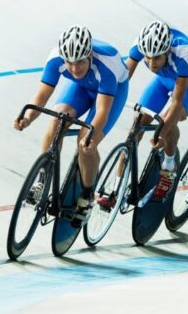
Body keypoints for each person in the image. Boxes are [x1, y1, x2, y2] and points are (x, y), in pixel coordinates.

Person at [13, 25, 129, 225]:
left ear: (90, 55)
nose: (75, 69)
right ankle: (42, 181)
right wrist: (28, 118)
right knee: (57, 120)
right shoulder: (55, 59)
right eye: (70, 63)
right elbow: (42, 95)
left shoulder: (107, 65)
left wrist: (91, 138)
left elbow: (102, 110)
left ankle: (87, 197)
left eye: (80, 62)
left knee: (85, 143)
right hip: (81, 88)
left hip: (111, 93)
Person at [99, 20, 188, 208]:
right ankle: (116, 191)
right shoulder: (140, 45)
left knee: (167, 121)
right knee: (136, 126)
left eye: (156, 58)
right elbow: (123, 79)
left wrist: (162, 133)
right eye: (147, 58)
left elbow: (177, 101)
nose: (150, 62)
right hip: (162, 80)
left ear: (167, 52)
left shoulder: (184, 54)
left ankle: (169, 167)